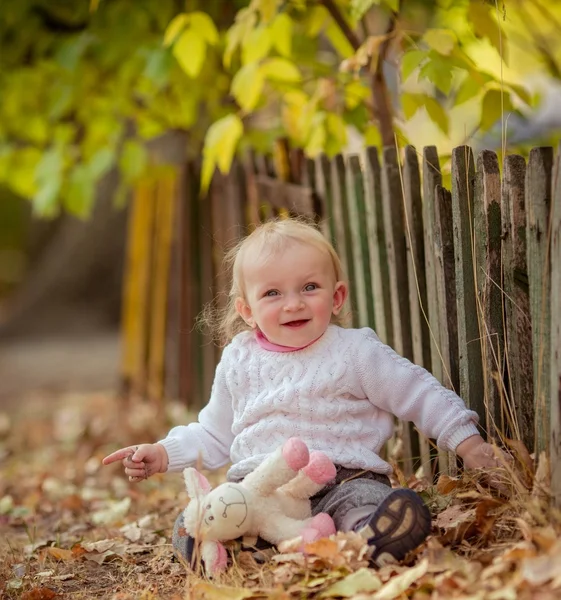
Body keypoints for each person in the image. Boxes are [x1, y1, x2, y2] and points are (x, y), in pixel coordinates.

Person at [103, 217, 505, 568]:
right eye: (272, 294)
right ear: (247, 310)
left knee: (367, 504)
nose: (293, 304)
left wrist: (466, 442)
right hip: (259, 491)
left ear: (337, 296)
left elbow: (417, 392)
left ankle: (370, 539)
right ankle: (241, 551)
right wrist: (162, 453)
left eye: (309, 287)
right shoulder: (238, 359)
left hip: (345, 478)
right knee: (202, 519)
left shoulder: (355, 351)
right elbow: (214, 434)